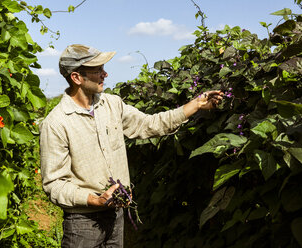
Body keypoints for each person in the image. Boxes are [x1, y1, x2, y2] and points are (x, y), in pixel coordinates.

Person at [39, 44, 223, 247]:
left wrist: (195, 105)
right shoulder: (56, 123)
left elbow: (149, 124)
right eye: (97, 70)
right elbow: (54, 184)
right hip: (83, 224)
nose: (105, 74)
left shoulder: (112, 104)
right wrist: (94, 199)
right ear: (76, 78)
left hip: (116, 215)